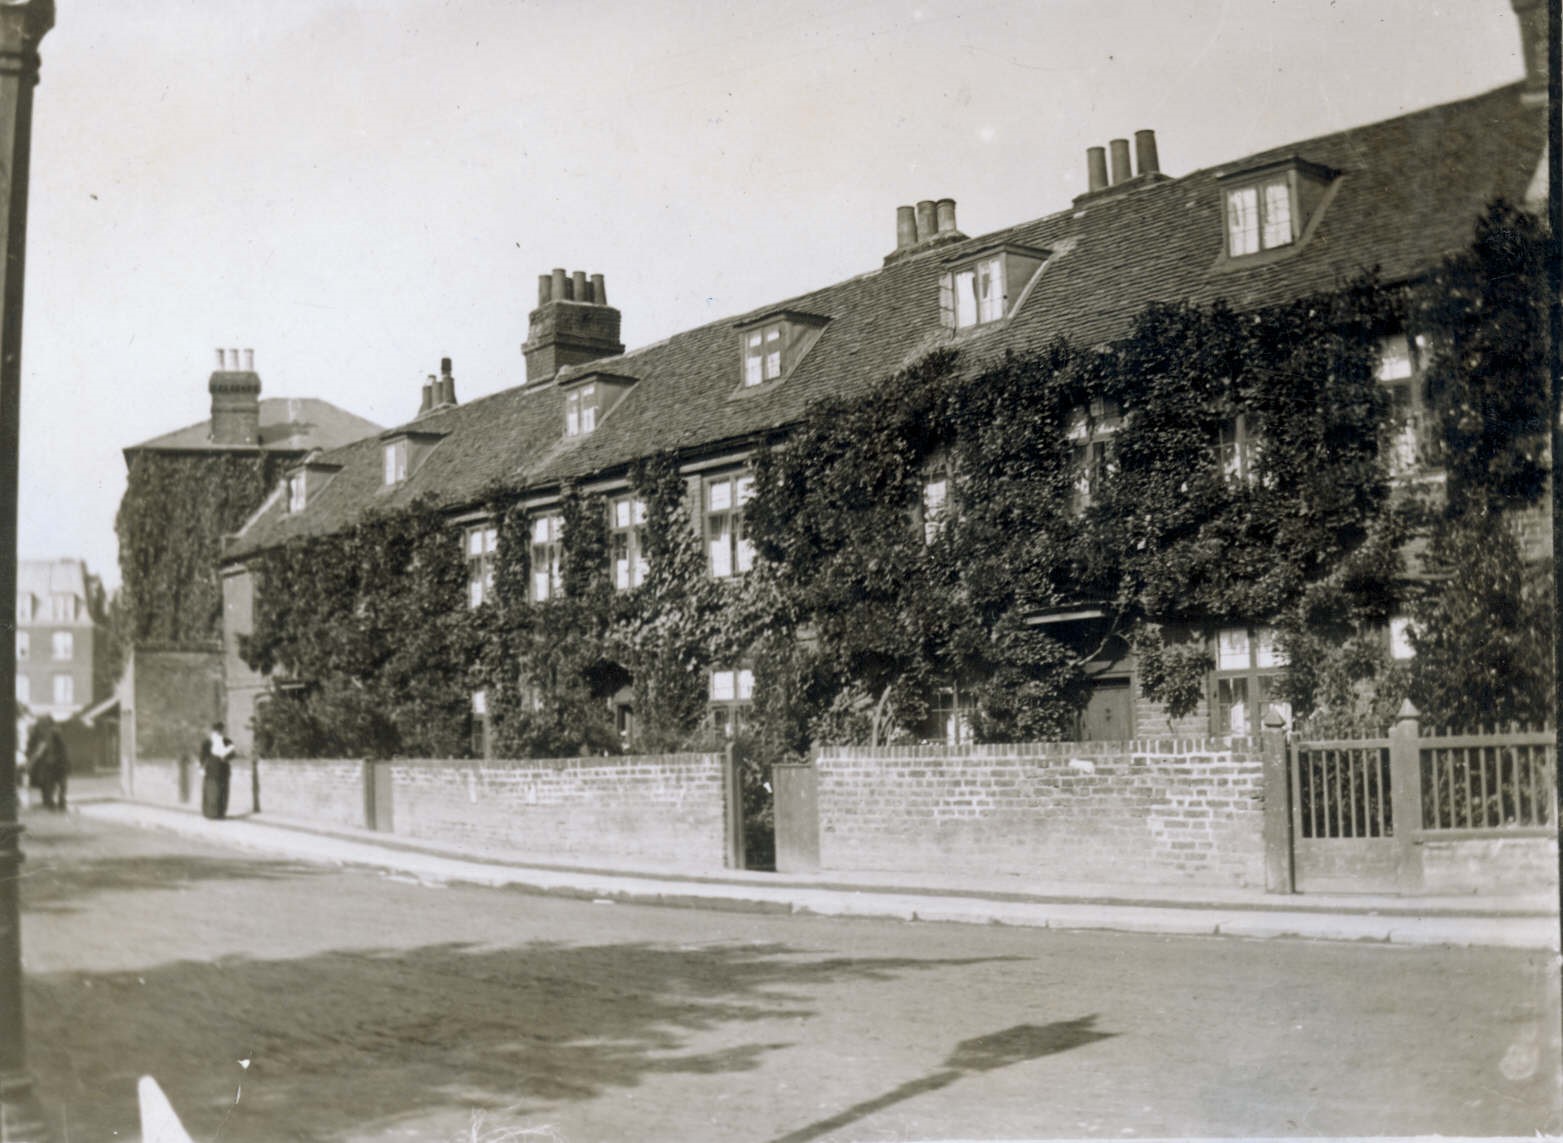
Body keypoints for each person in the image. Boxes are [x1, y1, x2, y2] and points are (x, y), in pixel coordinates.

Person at [27, 716, 68, 811]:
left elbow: (62, 749)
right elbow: (36, 750)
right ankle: (52, 801)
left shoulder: (55, 734)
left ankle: (57, 801)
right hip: (50, 764)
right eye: (42, 725)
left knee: (59, 783)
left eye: (45, 725)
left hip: (58, 763)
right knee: (51, 783)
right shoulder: (40, 736)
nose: (43, 727)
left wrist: (31, 762)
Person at [201, 722, 236, 820]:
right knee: (212, 792)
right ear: (214, 731)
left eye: (221, 730)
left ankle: (221, 813)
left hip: (223, 770)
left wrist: (227, 757)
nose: (220, 732)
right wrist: (202, 767)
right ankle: (211, 814)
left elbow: (233, 754)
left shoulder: (227, 741)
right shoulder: (208, 742)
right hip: (212, 770)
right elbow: (203, 756)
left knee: (223, 792)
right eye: (217, 730)